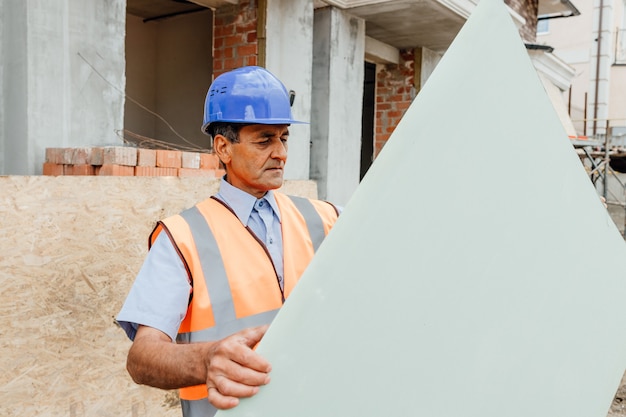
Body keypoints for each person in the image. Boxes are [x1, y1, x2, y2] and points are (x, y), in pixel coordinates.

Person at [116, 66, 340, 417]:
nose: (280, 152)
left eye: (284, 138)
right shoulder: (183, 237)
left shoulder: (327, 217)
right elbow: (142, 359)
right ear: (223, 148)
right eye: (264, 140)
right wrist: (207, 359)